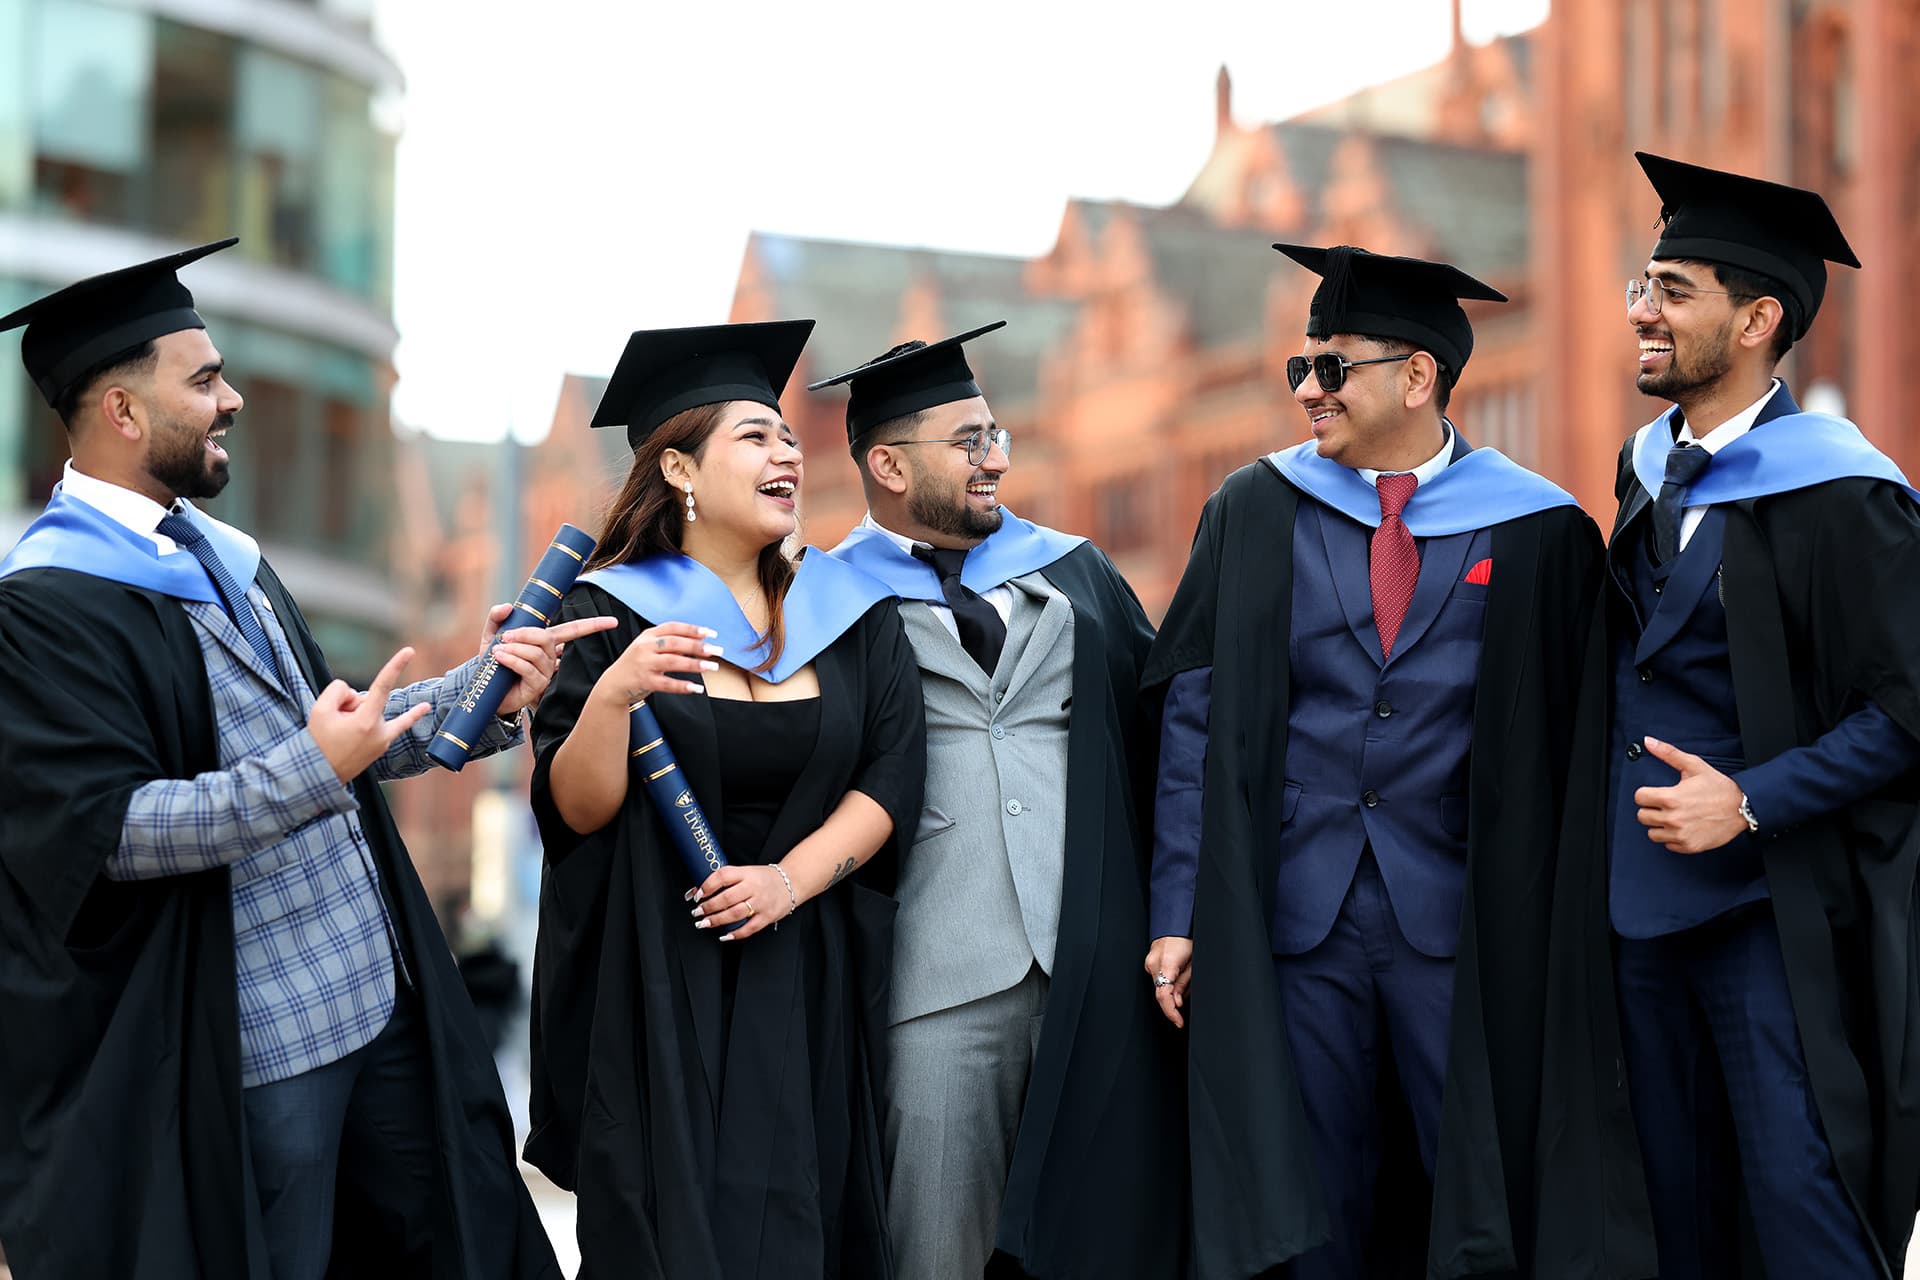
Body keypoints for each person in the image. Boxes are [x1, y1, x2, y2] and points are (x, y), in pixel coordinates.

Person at [0, 239, 587, 1279]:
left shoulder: (226, 556)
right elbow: (113, 830)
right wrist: (317, 766)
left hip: (384, 997)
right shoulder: (44, 606)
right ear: (124, 413)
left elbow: (341, 735)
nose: (229, 399)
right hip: (264, 1048)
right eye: (206, 378)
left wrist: (486, 685)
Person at [1144, 245, 1624, 1278]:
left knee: (1470, 1190)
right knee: (1307, 1200)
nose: (1309, 389)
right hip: (1296, 917)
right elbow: (1194, 714)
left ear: (1418, 376)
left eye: (1333, 367)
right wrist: (1178, 909)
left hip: (1462, 918)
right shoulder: (1254, 509)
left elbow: (1580, 734)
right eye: (1300, 368)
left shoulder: (1537, 528)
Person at [1570, 153, 1920, 1278]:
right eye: (1642, 283)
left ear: (1759, 317)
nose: (1642, 310)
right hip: (1635, 918)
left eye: (1674, 290)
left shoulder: (1841, 491)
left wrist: (1754, 799)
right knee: (1674, 1226)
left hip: (1774, 921)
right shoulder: (1643, 473)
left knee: (1800, 1211)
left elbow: (1908, 710)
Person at [524, 320, 927, 1279]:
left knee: (810, 1220)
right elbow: (574, 814)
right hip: (663, 976)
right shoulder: (608, 612)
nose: (787, 451)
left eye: (788, 436)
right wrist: (614, 693)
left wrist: (789, 881)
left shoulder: (853, 616)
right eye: (756, 435)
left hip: (807, 965)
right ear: (679, 469)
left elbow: (893, 775)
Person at [816, 322, 1183, 1279]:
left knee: (1104, 1242)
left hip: (1091, 970)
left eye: (997, 438)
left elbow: (1164, 736)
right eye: (968, 442)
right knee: (937, 1253)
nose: (994, 462)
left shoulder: (1072, 568)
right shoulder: (819, 599)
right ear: (889, 464)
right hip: (930, 980)